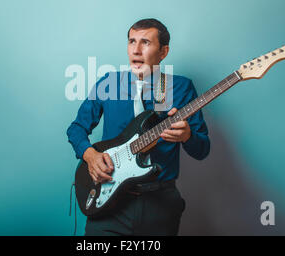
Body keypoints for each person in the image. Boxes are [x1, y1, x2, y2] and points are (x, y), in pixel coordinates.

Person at [66, 18, 210, 236]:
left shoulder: (179, 87)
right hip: (109, 202)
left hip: (159, 205)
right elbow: (76, 128)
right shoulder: (109, 83)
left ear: (163, 51)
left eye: (146, 43)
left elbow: (202, 150)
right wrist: (90, 156)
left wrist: (187, 136)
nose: (136, 50)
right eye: (132, 42)